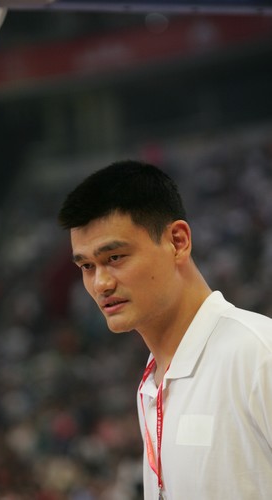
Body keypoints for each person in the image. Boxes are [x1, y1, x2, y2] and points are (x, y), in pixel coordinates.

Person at [58, 160, 272, 500]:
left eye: (114, 257)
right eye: (86, 266)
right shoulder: (151, 385)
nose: (100, 283)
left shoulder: (260, 353)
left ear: (178, 240)